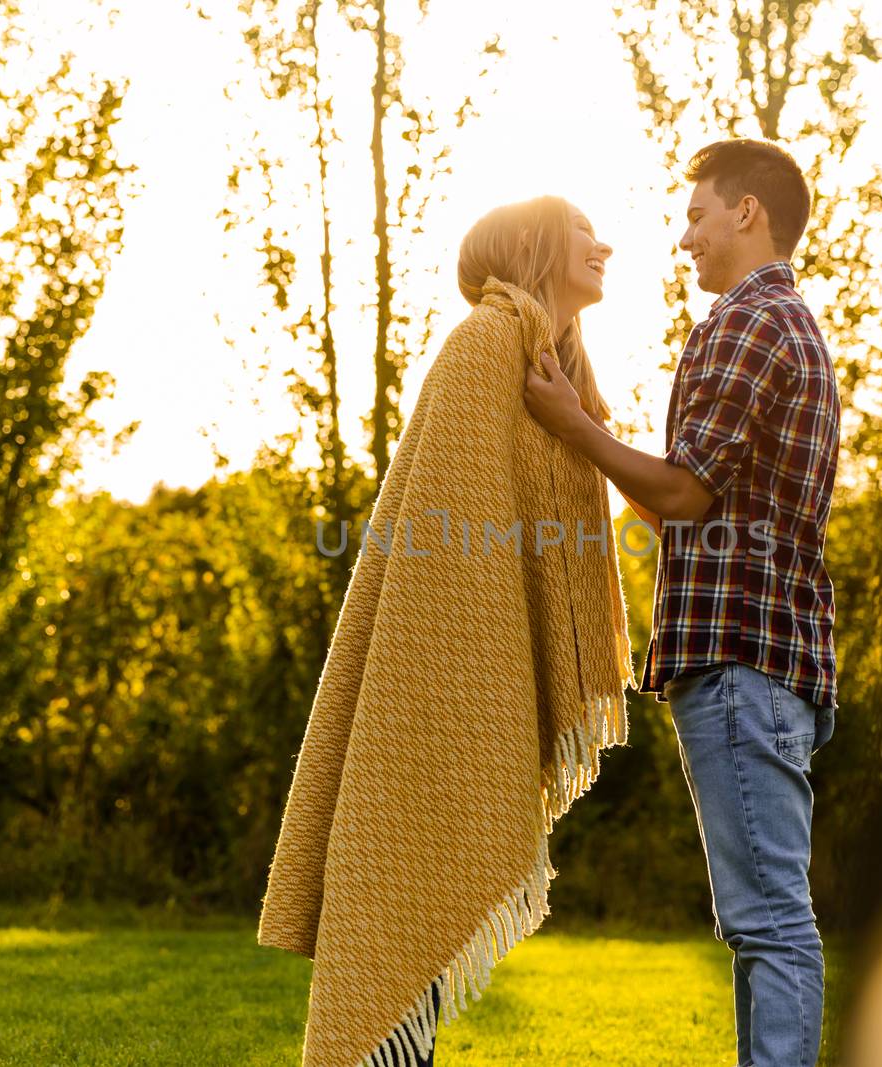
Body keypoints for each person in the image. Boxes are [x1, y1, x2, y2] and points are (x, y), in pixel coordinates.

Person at [259, 191, 630, 1067]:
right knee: (410, 883)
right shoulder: (486, 344)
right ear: (536, 244)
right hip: (435, 685)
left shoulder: (551, 363)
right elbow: (451, 564)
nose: (602, 243)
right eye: (583, 230)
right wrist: (475, 676)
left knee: (424, 901)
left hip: (471, 680)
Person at [523, 137, 839, 1067]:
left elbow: (683, 494)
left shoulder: (749, 322)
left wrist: (575, 428)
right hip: (765, 664)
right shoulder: (780, 324)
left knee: (770, 921)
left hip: (745, 663)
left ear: (748, 212)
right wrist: (591, 419)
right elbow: (683, 507)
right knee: (759, 922)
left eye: (698, 214)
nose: (684, 236)